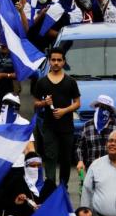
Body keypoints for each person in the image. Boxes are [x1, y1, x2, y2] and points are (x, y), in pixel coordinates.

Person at [33, 47, 81, 187]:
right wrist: (44, 103)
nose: (56, 63)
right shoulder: (42, 82)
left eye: (59, 60)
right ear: (49, 61)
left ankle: (63, 187)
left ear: (63, 62)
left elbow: (78, 103)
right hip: (49, 127)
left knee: (66, 159)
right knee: (50, 157)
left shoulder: (70, 81)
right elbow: (35, 104)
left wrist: (65, 111)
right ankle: (50, 187)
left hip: (67, 127)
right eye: (53, 60)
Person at [76, 95, 116, 175]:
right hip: (92, 170)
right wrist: (80, 161)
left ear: (110, 111)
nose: (102, 110)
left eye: (106, 108)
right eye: (99, 107)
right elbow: (79, 147)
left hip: (114, 170)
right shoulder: (87, 126)